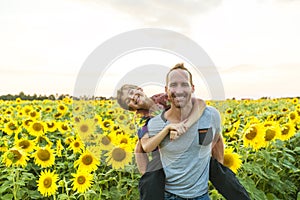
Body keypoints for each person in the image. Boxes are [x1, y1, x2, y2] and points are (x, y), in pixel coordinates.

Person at [117, 64, 250, 200]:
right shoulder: (144, 121)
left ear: (139, 89)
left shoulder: (162, 98)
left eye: (132, 93)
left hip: (192, 150)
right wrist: (147, 175)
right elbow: (142, 148)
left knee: (226, 179)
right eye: (128, 101)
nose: (133, 98)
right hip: (162, 152)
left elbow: (200, 104)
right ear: (130, 108)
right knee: (152, 180)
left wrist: (184, 125)